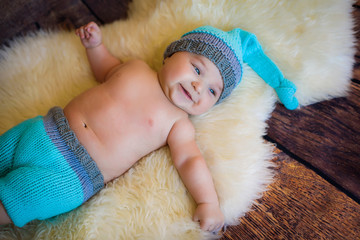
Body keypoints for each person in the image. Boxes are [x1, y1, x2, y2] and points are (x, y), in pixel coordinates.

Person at [0, 22, 298, 231]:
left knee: (18, 201)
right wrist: (96, 46)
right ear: (171, 55)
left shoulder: (178, 124)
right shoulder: (136, 67)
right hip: (43, 130)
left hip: (71, 175)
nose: (197, 86)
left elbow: (189, 160)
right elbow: (106, 69)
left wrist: (208, 202)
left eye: (212, 91)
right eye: (196, 69)